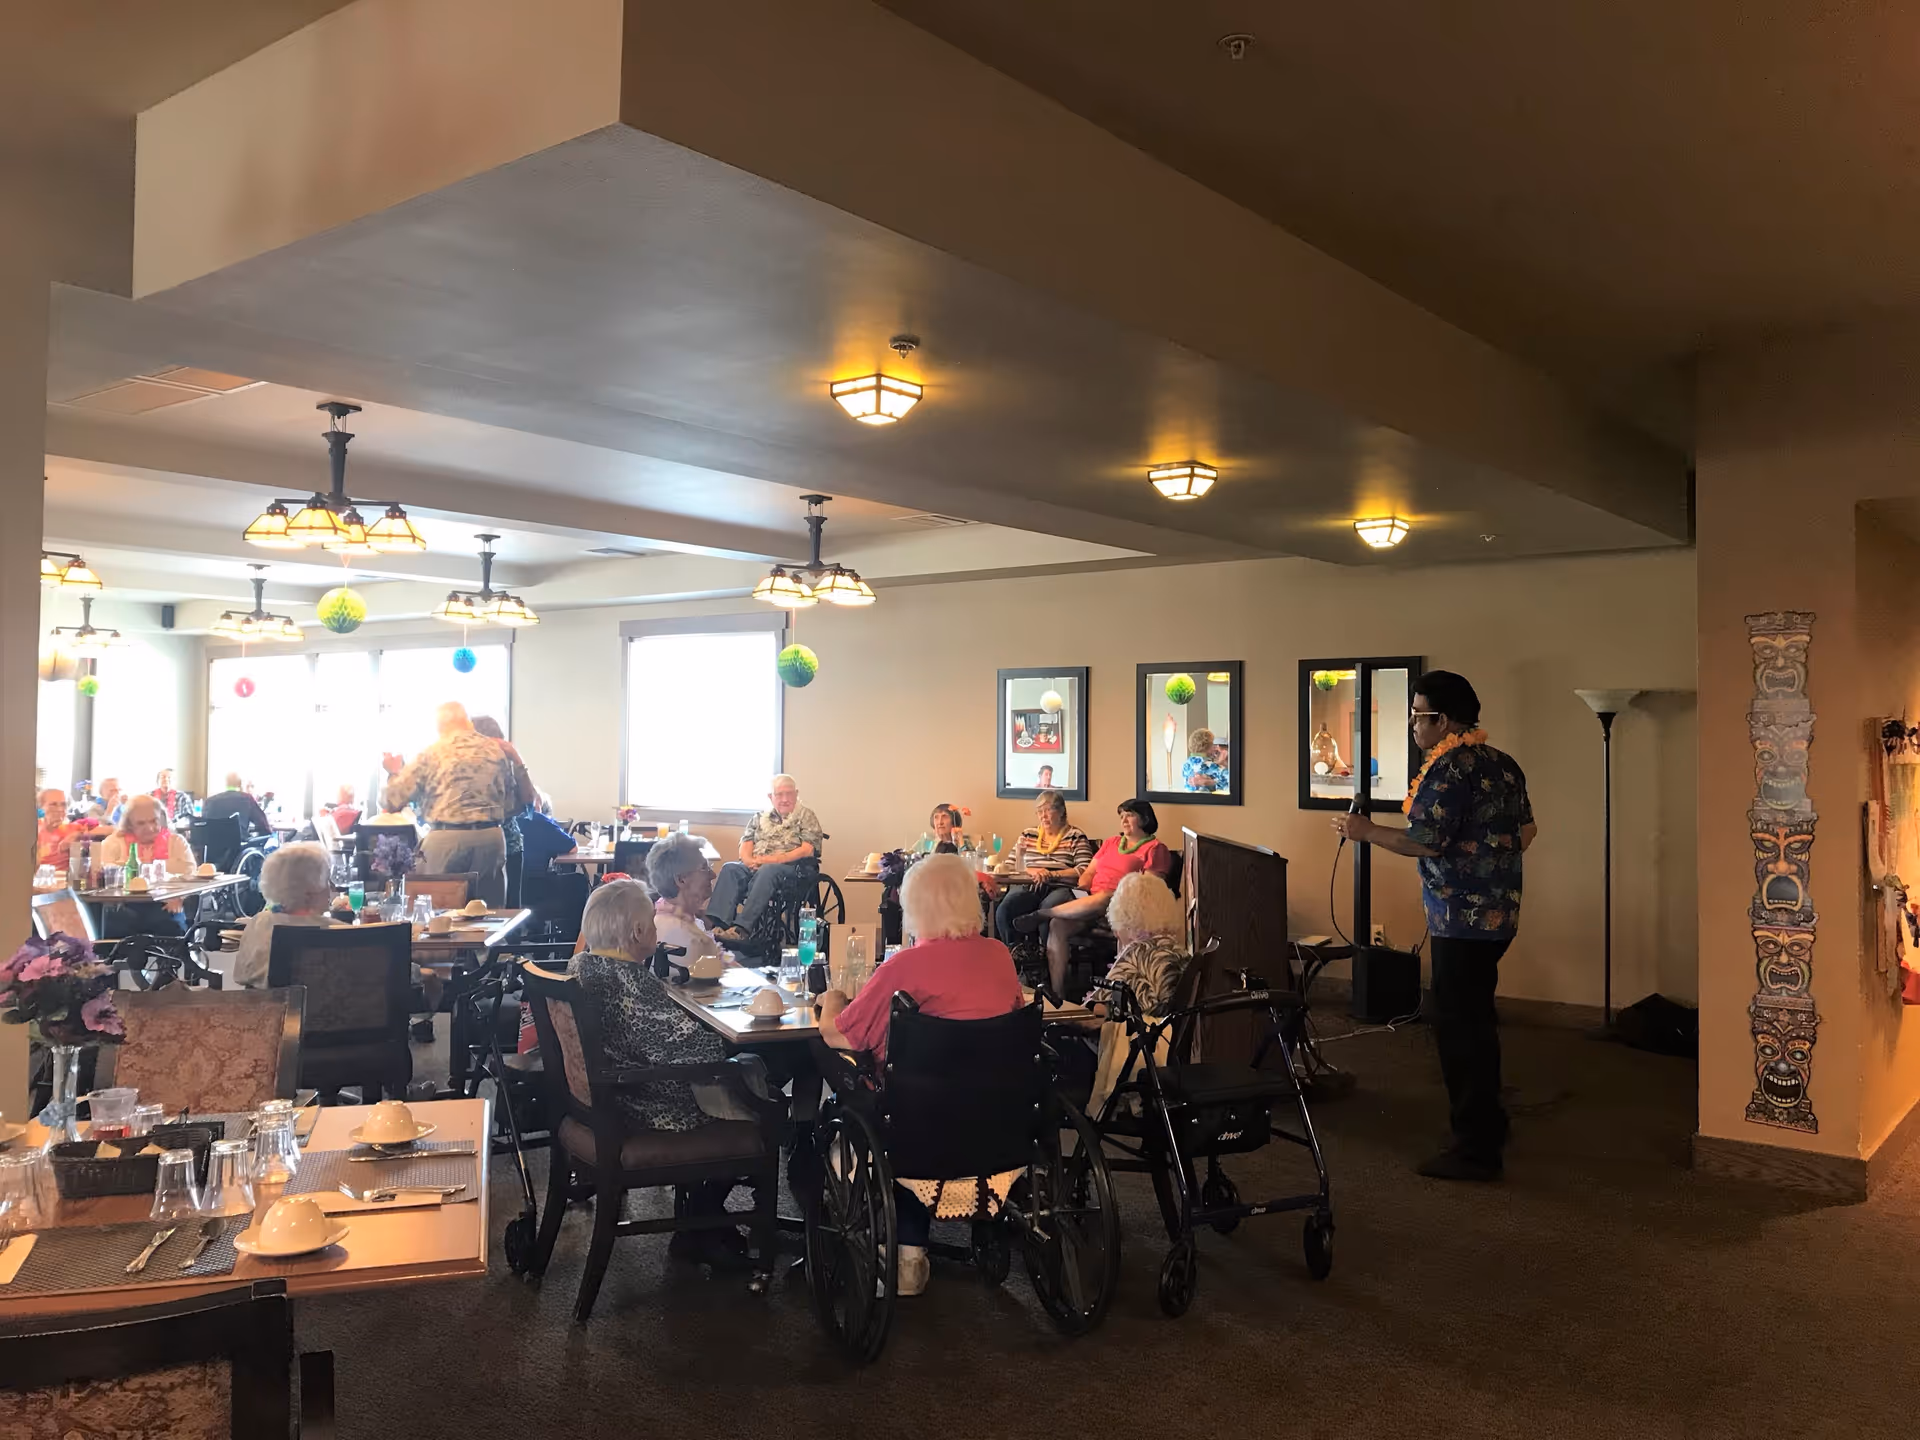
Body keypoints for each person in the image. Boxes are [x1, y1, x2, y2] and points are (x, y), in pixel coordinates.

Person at [1332, 669, 1536, 1183]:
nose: (1411, 724)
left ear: (1441, 720)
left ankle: (1476, 1148)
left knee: (1460, 1029)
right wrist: (1488, 860)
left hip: (1460, 921)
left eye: (1417, 715)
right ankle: (1489, 1122)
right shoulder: (1502, 763)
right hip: (1498, 915)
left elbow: (1425, 841)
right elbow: (1527, 830)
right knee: (1476, 1020)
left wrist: (1365, 831)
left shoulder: (1449, 768)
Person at [816, 854, 1024, 1297]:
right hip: (997, 1119)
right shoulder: (999, 956)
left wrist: (831, 1000)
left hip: (917, 1128)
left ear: (915, 907)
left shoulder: (903, 967)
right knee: (924, 1096)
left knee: (857, 1083)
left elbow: (844, 1036)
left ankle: (903, 1251)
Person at [572, 880, 765, 1267]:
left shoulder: (583, 968)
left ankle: (701, 1224)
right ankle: (702, 1221)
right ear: (639, 932)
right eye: (652, 925)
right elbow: (698, 1050)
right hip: (649, 1108)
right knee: (761, 1100)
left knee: (743, 1078)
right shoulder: (631, 983)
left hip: (601, 1101)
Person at [1025, 798, 1172, 995]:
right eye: (1121, 816)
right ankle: (1057, 994)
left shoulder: (1155, 848)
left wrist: (1120, 896)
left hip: (1124, 907)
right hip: (1089, 903)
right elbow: (1089, 872)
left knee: (1105, 897)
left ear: (1144, 819)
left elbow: (1151, 888)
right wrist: (1083, 887)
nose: (1124, 820)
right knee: (1057, 925)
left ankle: (1043, 913)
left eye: (1130, 815)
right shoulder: (1112, 842)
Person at [381, 701, 514, 907]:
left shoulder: (432, 753)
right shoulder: (494, 751)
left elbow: (391, 800)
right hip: (491, 838)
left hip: (446, 839)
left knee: (439, 912)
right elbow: (510, 802)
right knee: (490, 916)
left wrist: (394, 771)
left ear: (440, 726)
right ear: (467, 722)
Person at [708, 774, 825, 945]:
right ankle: (718, 926)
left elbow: (807, 849)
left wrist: (773, 860)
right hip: (759, 865)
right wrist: (749, 861)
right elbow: (746, 843)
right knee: (730, 868)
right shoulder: (758, 817)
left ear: (796, 793)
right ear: (771, 797)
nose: (784, 799)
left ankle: (742, 930)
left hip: (793, 869)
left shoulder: (806, 815)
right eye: (779, 794)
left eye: (789, 793)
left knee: (768, 871)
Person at [993, 790, 1094, 946]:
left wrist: (1052, 874)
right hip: (1030, 885)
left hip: (1062, 887)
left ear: (1061, 811)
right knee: (1006, 908)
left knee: (1047, 909)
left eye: (1048, 809)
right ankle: (1015, 956)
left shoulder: (1075, 835)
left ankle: (1046, 961)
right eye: (1039, 811)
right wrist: (1031, 869)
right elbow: (1011, 865)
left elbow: (1085, 869)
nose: (1043, 815)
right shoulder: (1028, 834)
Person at [233, 843, 340, 989]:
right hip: (331, 1010)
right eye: (327, 880)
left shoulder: (260, 923)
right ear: (312, 888)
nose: (331, 887)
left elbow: (241, 976)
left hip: (272, 1009)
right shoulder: (338, 930)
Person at [96, 795, 198, 938]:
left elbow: (191, 874)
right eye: (141, 823)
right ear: (129, 824)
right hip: (124, 907)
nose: (149, 828)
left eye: (153, 821)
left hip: (165, 906)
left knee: (173, 928)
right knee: (111, 924)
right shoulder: (114, 843)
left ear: (161, 819)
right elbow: (104, 872)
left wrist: (179, 897)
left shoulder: (176, 842)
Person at [1099, 870, 1191, 1015]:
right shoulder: (1177, 950)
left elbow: (1098, 1008)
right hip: (1168, 1029)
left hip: (1144, 1031)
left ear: (1125, 915)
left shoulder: (1137, 952)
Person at [470, 715, 538, 905]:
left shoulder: (507, 766)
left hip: (509, 847)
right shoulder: (466, 769)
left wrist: (515, 757)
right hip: (477, 846)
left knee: (508, 905)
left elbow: (529, 802)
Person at [646, 832, 727, 972]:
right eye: (704, 868)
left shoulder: (656, 919)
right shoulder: (692, 940)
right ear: (681, 879)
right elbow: (710, 990)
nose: (713, 875)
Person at [202, 772, 273, 840]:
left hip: (212, 849)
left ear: (226, 783)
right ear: (240, 784)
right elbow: (265, 827)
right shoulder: (247, 799)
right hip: (238, 848)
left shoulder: (209, 801)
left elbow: (203, 825)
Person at [1182, 729, 1229, 793]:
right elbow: (1233, 785)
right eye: (1213, 744)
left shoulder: (1186, 764)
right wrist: (1223, 764)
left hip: (1189, 801)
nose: (1215, 747)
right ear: (1209, 746)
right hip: (1207, 802)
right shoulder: (1213, 767)